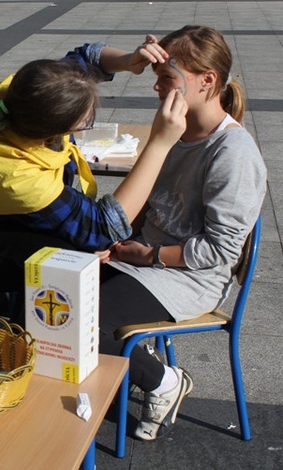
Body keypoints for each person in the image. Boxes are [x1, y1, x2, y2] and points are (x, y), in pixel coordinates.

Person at [0, 40, 187, 323]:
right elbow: (103, 228)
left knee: (80, 249)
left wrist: (127, 59)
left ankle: (25, 321)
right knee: (69, 262)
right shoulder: (17, 176)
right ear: (52, 132)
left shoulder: (16, 94)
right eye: (83, 123)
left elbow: (83, 60)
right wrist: (159, 143)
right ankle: (27, 335)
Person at [98, 25, 266, 441]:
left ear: (206, 81)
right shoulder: (174, 129)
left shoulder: (233, 154)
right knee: (53, 292)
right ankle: (126, 362)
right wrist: (112, 246)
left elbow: (220, 251)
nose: (157, 87)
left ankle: (162, 381)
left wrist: (148, 256)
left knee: (84, 320)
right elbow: (147, 205)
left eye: (167, 78)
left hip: (189, 277)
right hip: (142, 260)